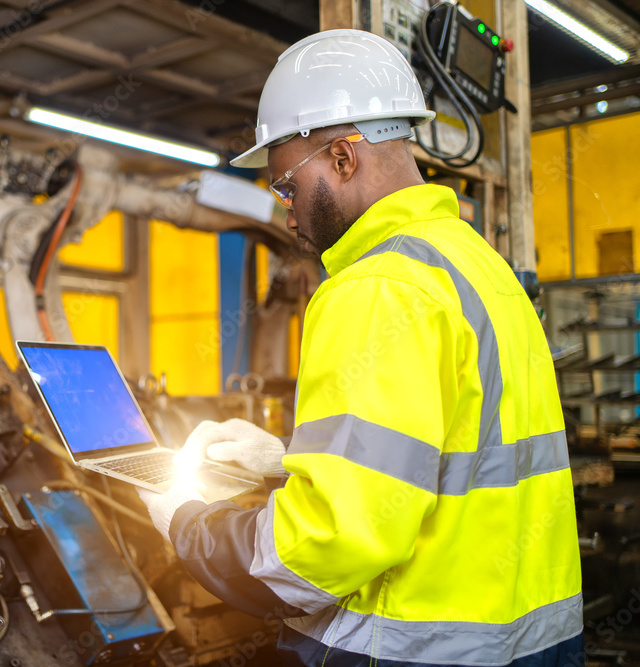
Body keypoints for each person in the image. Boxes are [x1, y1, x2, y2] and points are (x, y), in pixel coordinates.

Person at [138, 29, 582, 667]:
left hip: (409, 650)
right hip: (532, 643)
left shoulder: (375, 287)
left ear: (343, 158)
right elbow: (452, 456)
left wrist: (187, 521)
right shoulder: (481, 267)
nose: (288, 215)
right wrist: (291, 459)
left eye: (287, 186)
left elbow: (324, 546)